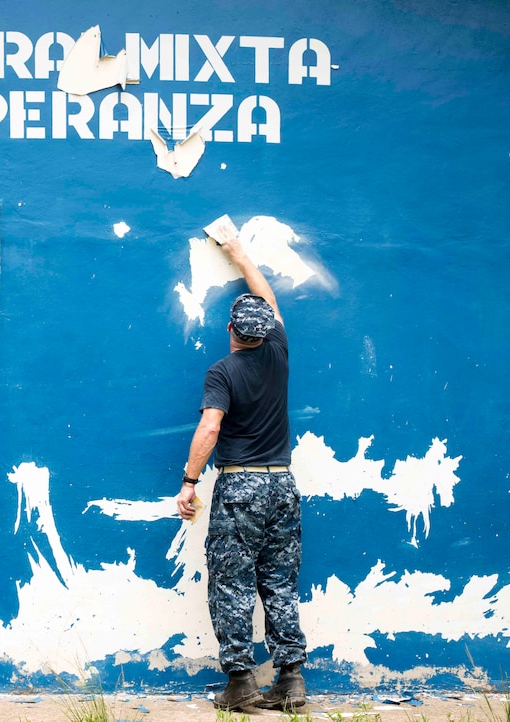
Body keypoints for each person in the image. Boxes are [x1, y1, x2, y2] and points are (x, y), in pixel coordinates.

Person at [175, 224, 308, 712]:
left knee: (231, 584)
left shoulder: (223, 371)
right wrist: (239, 252)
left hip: (241, 489)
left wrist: (189, 482)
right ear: (266, 330)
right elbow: (267, 298)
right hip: (283, 485)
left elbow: (210, 429)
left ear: (231, 330)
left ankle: (240, 684)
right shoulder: (279, 352)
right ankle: (291, 680)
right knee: (279, 582)